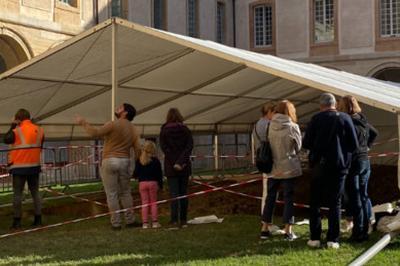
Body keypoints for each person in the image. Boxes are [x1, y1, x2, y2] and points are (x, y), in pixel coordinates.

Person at [303, 93, 358, 249]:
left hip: (319, 166)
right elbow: (354, 145)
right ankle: (333, 239)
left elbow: (306, 143)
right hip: (339, 166)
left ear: (321, 105)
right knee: (335, 203)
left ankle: (314, 238)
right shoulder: (345, 119)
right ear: (335, 104)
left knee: (315, 202)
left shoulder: (315, 119)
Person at [75, 103, 141, 230]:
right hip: (125, 160)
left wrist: (83, 122)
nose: (117, 108)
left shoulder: (112, 124)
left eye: (120, 107)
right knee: (126, 192)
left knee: (111, 194)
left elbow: (94, 133)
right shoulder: (133, 129)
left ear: (125, 113)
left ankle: (116, 223)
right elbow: (137, 148)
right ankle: (130, 220)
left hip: (110, 160)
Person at [260, 100, 302, 241]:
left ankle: (265, 228)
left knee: (270, 198)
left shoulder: (269, 125)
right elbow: (298, 148)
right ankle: (288, 231)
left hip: (273, 168)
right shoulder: (293, 127)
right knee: (288, 199)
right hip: (289, 167)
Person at [338, 95, 378, 242]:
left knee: (356, 199)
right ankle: (369, 224)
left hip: (354, 162)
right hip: (365, 161)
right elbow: (374, 133)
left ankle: (359, 232)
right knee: (363, 194)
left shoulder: (347, 122)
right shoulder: (362, 119)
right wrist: (367, 147)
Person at [4, 109, 44, 229]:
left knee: (17, 194)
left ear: (18, 119)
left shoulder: (16, 131)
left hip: (19, 167)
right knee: (35, 193)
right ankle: (38, 219)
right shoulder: (40, 130)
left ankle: (17, 221)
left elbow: (6, 139)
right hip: (34, 166)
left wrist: (12, 125)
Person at [160, 108, 193, 229]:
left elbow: (165, 148)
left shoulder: (164, 131)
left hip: (170, 167)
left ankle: (174, 220)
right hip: (184, 166)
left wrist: (174, 162)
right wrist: (181, 162)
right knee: (183, 193)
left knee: (174, 194)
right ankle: (183, 220)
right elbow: (189, 146)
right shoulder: (185, 130)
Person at [133, 140, 163, 229]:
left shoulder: (139, 160)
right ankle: (154, 222)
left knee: (144, 203)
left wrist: (137, 176)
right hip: (153, 183)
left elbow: (135, 174)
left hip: (142, 183)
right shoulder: (156, 161)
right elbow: (159, 174)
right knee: (153, 203)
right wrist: (161, 185)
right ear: (153, 149)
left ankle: (145, 223)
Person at [253, 103, 276, 214]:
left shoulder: (257, 124)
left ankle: (265, 216)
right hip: (270, 159)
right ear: (269, 112)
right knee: (270, 191)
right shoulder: (269, 124)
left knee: (266, 190)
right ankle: (266, 217)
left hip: (262, 158)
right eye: (274, 112)